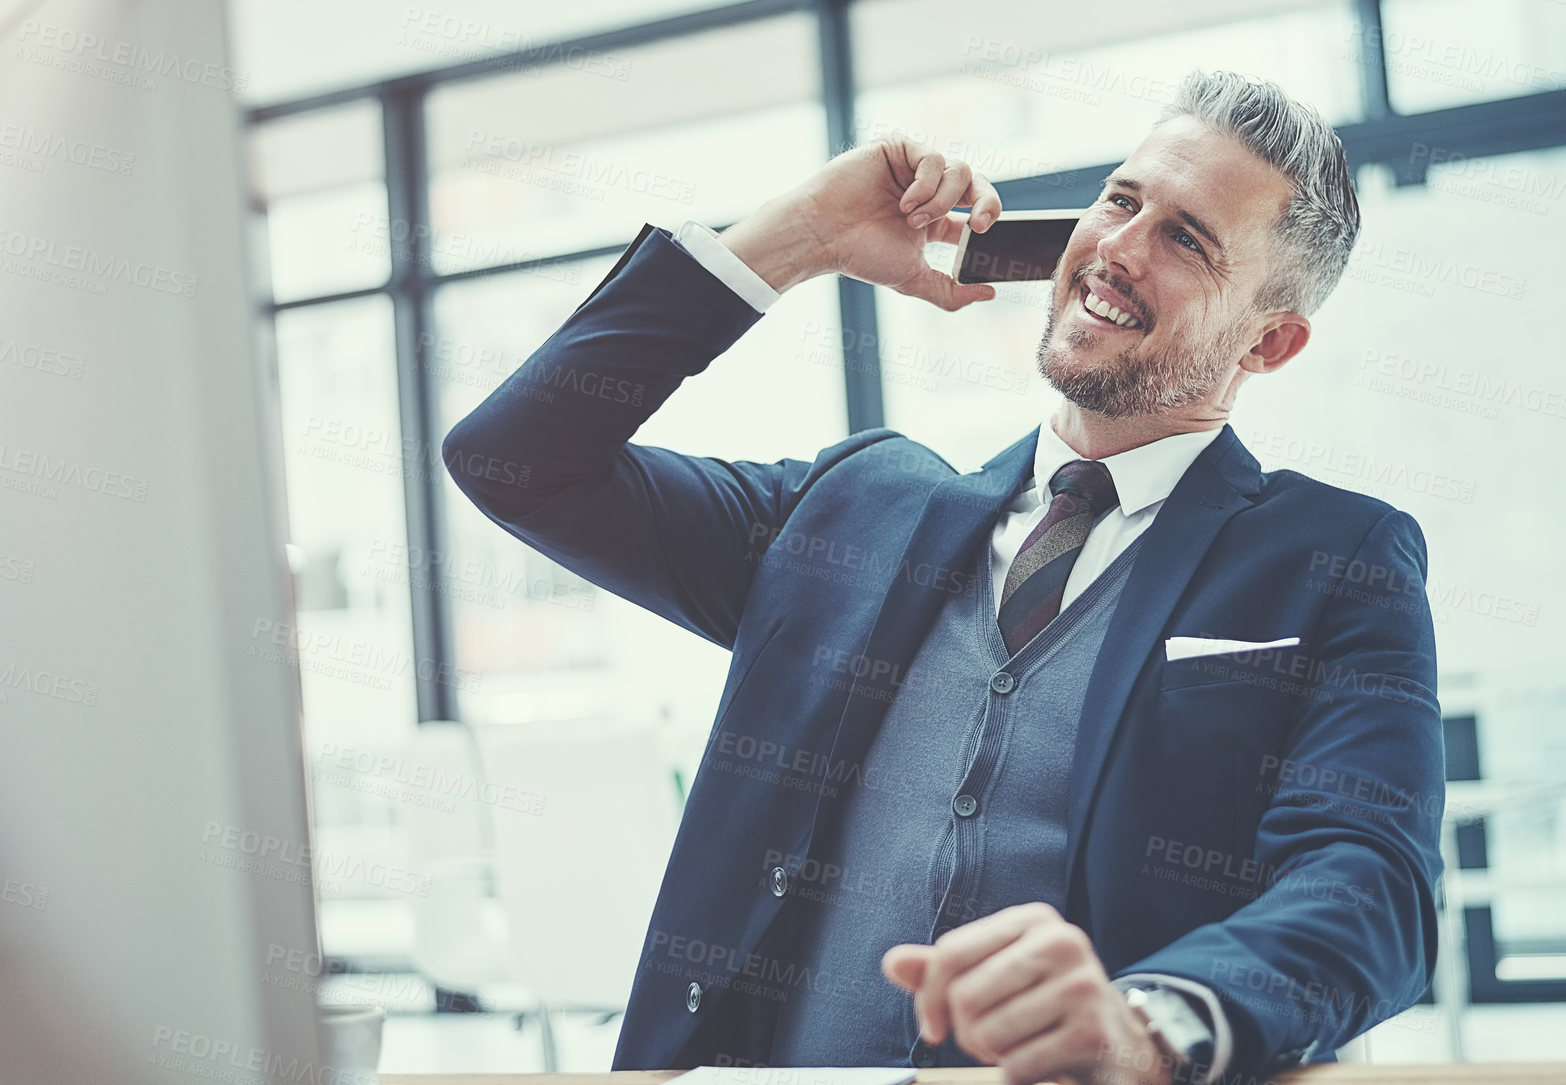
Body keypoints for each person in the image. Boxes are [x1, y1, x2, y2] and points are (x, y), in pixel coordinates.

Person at [443, 68, 1444, 1085]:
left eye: (1186, 239)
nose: (1117, 248)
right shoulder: (849, 506)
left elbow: (1372, 884)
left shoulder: (1337, 559)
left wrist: (1148, 1023)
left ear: (1269, 342)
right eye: (1121, 199)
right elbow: (518, 458)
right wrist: (798, 237)